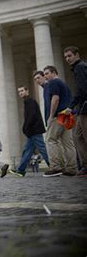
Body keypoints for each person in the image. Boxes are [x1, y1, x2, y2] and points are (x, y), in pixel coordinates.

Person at [42, 65, 77, 177]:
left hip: (58, 116)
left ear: (54, 72)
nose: (45, 76)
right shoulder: (64, 85)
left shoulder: (54, 83)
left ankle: (56, 167)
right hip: (67, 116)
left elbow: (55, 98)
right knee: (68, 143)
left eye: (47, 73)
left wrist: (51, 115)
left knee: (50, 140)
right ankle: (72, 168)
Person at [9, 86, 50, 177]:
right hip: (32, 130)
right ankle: (21, 170)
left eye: (22, 91)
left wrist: (25, 126)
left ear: (27, 91)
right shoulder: (28, 101)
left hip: (34, 130)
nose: (20, 93)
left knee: (42, 149)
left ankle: (53, 167)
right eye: (19, 91)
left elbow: (31, 115)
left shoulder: (29, 101)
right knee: (27, 150)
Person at [63, 46, 87, 177]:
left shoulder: (80, 67)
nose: (67, 59)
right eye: (66, 57)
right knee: (78, 137)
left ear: (77, 54)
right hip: (82, 108)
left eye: (69, 55)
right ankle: (85, 165)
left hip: (84, 107)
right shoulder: (78, 67)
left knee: (83, 136)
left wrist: (70, 106)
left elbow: (82, 90)